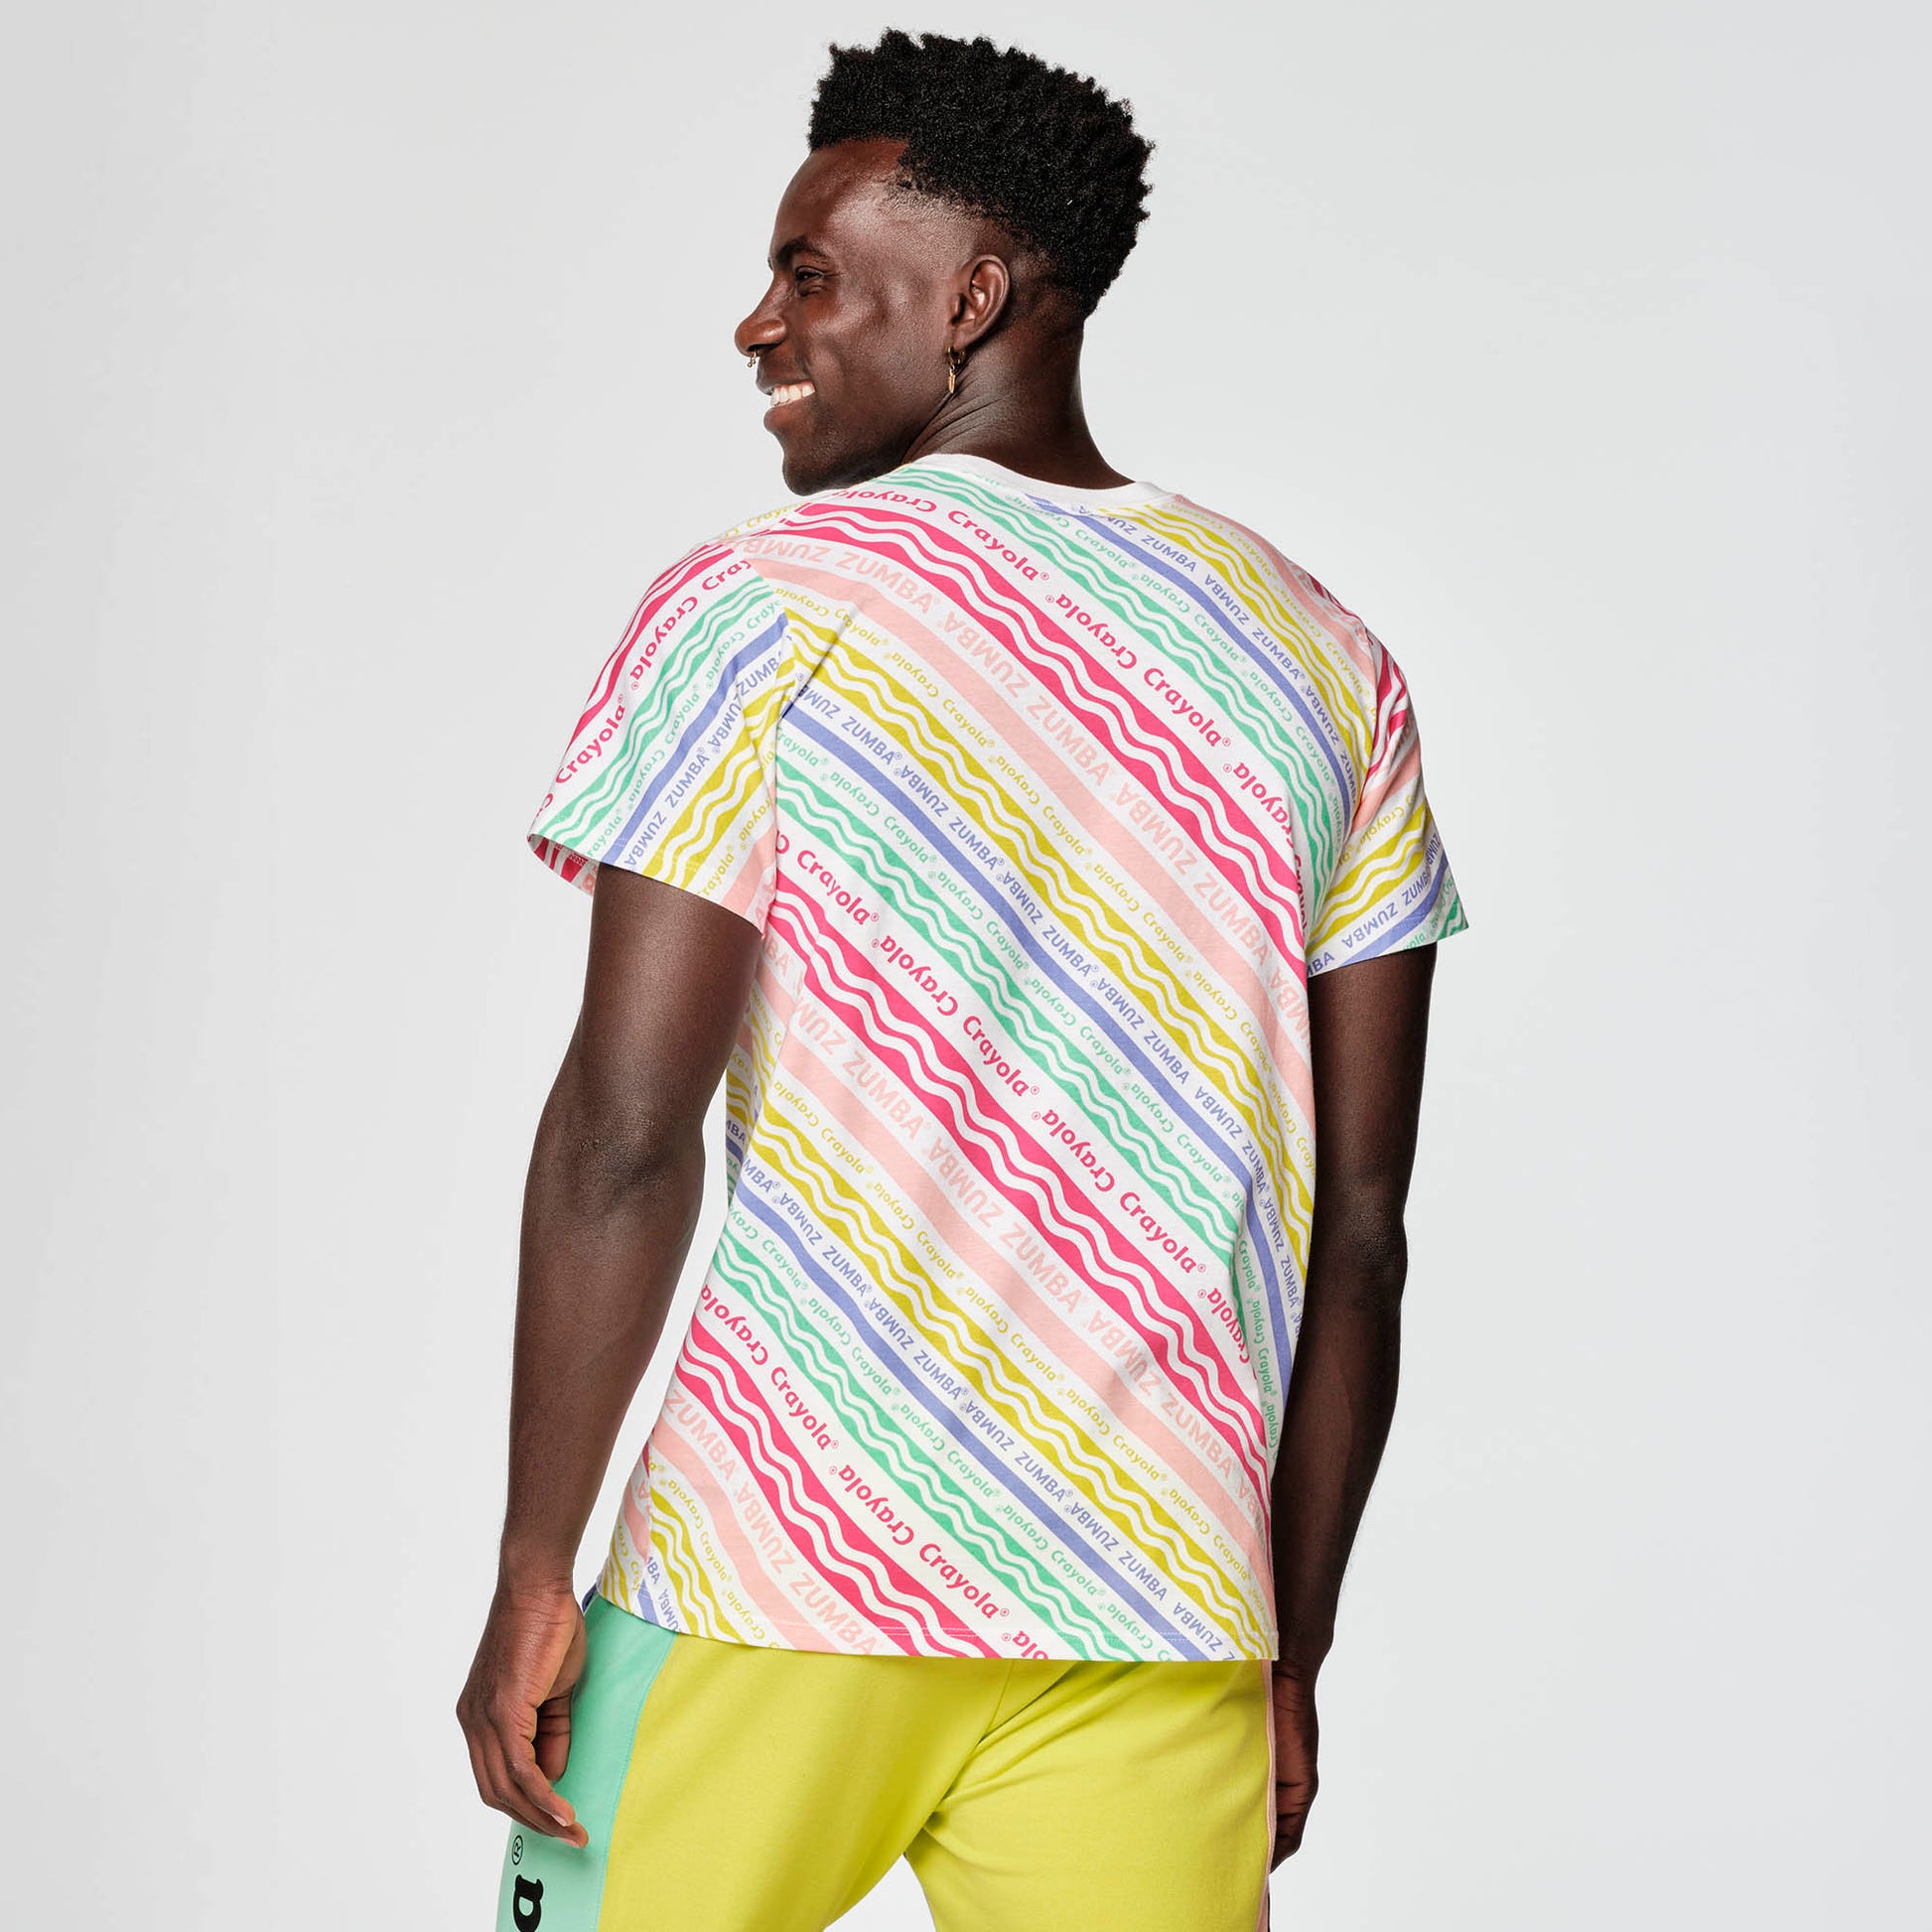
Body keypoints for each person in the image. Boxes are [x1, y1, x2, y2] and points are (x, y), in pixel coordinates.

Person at [458, 27, 1467, 1932]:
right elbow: (1361, 1230)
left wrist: (532, 1570)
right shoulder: (1327, 656)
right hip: (1155, 1614)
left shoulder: (758, 604)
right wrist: (1286, 1646)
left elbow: (622, 1130)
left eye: (809, 276)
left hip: (775, 1565)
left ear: (974, 297)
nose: (759, 326)